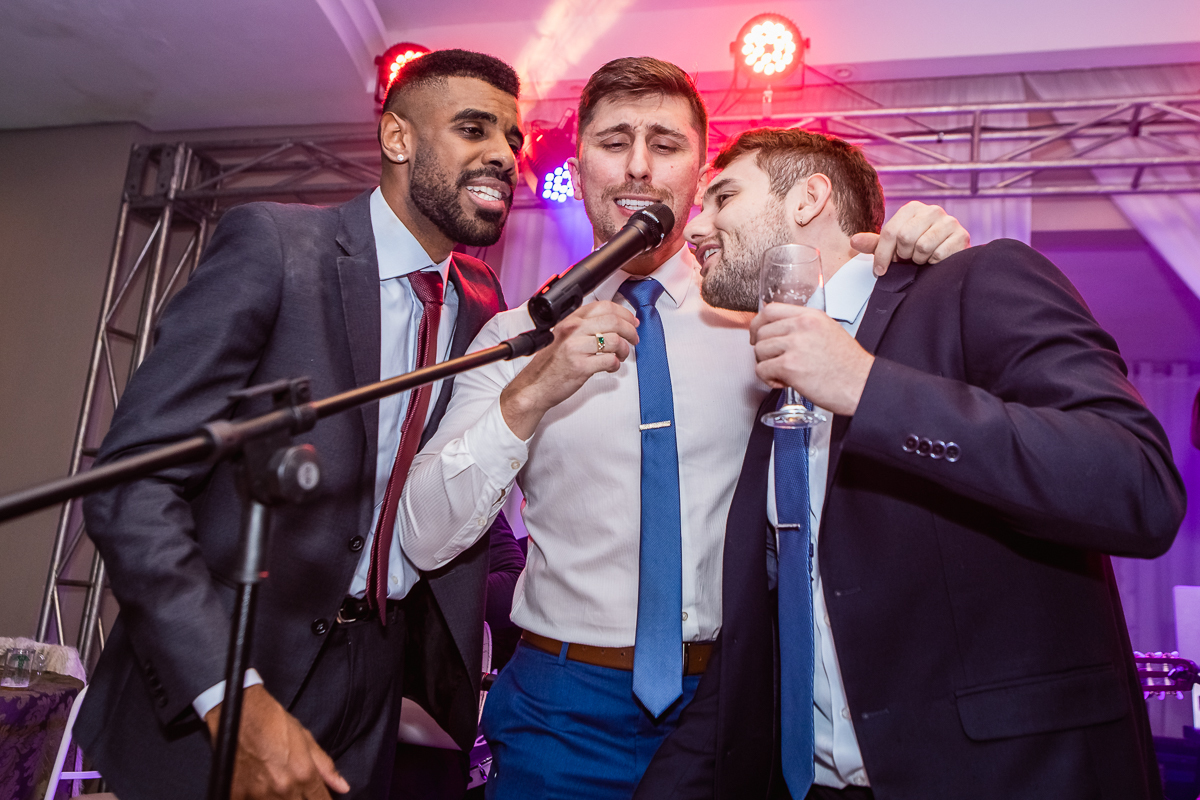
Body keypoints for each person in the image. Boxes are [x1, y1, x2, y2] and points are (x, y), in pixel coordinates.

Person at [399, 57, 969, 799]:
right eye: (614, 141)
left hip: (736, 697)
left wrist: (922, 248)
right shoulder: (515, 334)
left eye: (665, 145)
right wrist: (536, 388)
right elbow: (420, 534)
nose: (638, 167)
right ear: (580, 163)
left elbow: (915, 394)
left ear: (700, 170)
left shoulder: (777, 317)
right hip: (559, 708)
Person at [636, 127, 1188, 800]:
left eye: (722, 196)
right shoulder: (776, 390)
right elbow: (762, 649)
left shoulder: (972, 283)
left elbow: (1138, 485)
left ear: (810, 197)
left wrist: (868, 388)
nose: (698, 226)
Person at [77, 49, 524, 800]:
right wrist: (228, 695)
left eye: (514, 138)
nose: (503, 156)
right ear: (397, 138)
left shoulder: (482, 299)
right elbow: (131, 487)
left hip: (371, 684)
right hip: (221, 669)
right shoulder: (277, 247)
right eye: (474, 128)